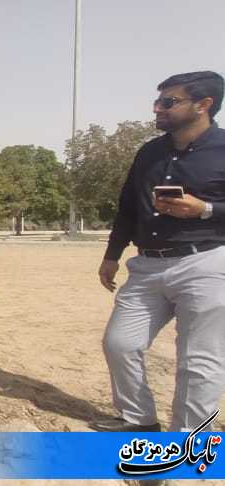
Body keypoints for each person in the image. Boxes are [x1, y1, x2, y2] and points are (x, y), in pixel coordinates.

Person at [92, 71, 225, 432]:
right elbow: (127, 207)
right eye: (158, 101)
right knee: (119, 343)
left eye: (169, 102)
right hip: (148, 264)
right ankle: (138, 420)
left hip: (205, 262)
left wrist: (205, 209)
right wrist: (112, 254)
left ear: (204, 104)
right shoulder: (150, 152)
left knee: (198, 361)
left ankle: (190, 441)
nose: (157, 109)